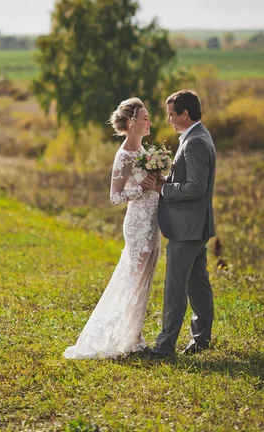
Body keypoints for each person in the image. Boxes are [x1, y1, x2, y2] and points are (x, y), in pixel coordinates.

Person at [64, 97, 160, 359]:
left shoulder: (143, 152)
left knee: (144, 281)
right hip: (138, 225)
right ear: (131, 123)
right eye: (145, 118)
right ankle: (130, 340)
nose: (150, 122)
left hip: (152, 224)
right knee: (132, 281)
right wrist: (141, 188)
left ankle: (134, 336)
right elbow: (115, 197)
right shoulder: (124, 156)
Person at [144, 90, 216, 358]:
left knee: (176, 288)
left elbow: (196, 187)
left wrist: (163, 188)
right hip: (195, 226)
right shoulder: (198, 136)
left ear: (185, 114)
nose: (169, 119)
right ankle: (202, 340)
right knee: (197, 284)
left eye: (172, 114)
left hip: (188, 228)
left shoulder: (195, 141)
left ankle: (164, 348)